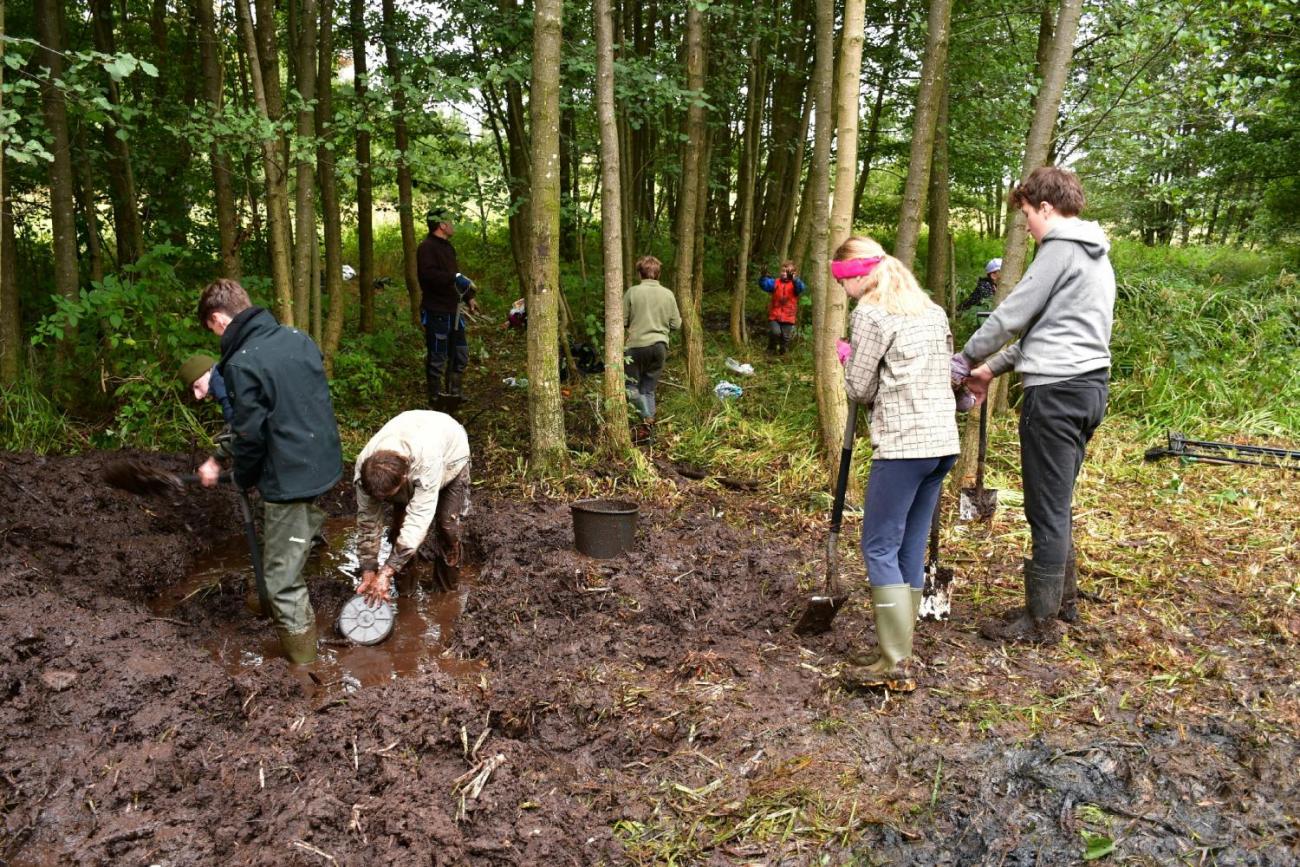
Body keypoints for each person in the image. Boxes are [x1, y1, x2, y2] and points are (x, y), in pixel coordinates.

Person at [953, 166, 1115, 643]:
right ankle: (1061, 605)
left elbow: (1013, 314)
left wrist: (965, 358)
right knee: (1057, 501)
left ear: (1045, 207)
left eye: (1026, 213)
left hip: (1057, 394)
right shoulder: (1094, 255)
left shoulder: (1060, 248)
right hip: (1087, 389)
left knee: (1045, 507)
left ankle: (1041, 622)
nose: (1025, 224)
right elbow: (1048, 332)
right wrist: (990, 370)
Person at [195, 279, 343, 664]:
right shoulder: (296, 338)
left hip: (289, 477)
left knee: (283, 583)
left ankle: (306, 669)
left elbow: (250, 434)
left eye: (211, 329)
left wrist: (242, 475)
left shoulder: (244, 361)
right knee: (284, 535)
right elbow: (298, 405)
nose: (214, 338)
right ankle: (268, 590)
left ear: (218, 319)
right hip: (323, 461)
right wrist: (219, 457)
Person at [835, 235, 960, 691]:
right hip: (942, 445)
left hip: (904, 447)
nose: (842, 290)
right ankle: (900, 650)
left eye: (842, 280)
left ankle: (893, 663)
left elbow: (859, 390)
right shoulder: (931, 311)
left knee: (879, 547)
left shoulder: (869, 313)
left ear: (859, 274)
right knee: (909, 547)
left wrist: (847, 358)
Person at [353, 410, 472, 606]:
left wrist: (387, 570)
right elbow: (368, 522)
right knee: (399, 530)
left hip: (451, 454)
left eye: (389, 496)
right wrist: (368, 569)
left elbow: (418, 520)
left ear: (404, 478)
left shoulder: (427, 461)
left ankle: (445, 592)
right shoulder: (364, 470)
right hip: (411, 440)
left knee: (446, 526)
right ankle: (405, 595)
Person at [417, 208, 481, 404]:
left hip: (454, 310)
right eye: (450, 221)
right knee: (438, 355)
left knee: (459, 353)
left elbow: (455, 277)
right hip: (436, 311)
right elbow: (429, 276)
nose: (453, 224)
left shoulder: (448, 248)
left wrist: (469, 296)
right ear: (442, 225)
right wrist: (455, 278)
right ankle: (435, 397)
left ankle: (454, 393)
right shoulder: (427, 248)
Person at [623, 255, 681, 442]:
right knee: (647, 389)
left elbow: (621, 320)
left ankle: (646, 419)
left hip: (636, 346)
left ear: (640, 273)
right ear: (658, 273)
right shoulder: (668, 294)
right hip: (660, 347)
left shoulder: (632, 292)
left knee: (631, 387)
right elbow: (677, 324)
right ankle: (648, 433)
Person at [758, 261, 806, 354]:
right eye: (783, 271)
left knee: (785, 338)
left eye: (787, 271)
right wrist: (763, 277)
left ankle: (782, 354)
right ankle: (770, 350)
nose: (784, 273)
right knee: (775, 332)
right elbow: (764, 285)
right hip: (775, 315)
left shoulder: (795, 284)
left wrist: (794, 279)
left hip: (789, 316)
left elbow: (801, 288)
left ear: (794, 273)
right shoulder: (775, 282)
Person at [179, 352, 233, 425]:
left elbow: (229, 403)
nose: (197, 396)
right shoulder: (228, 371)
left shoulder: (216, 378)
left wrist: (232, 426)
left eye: (197, 386)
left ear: (208, 372)